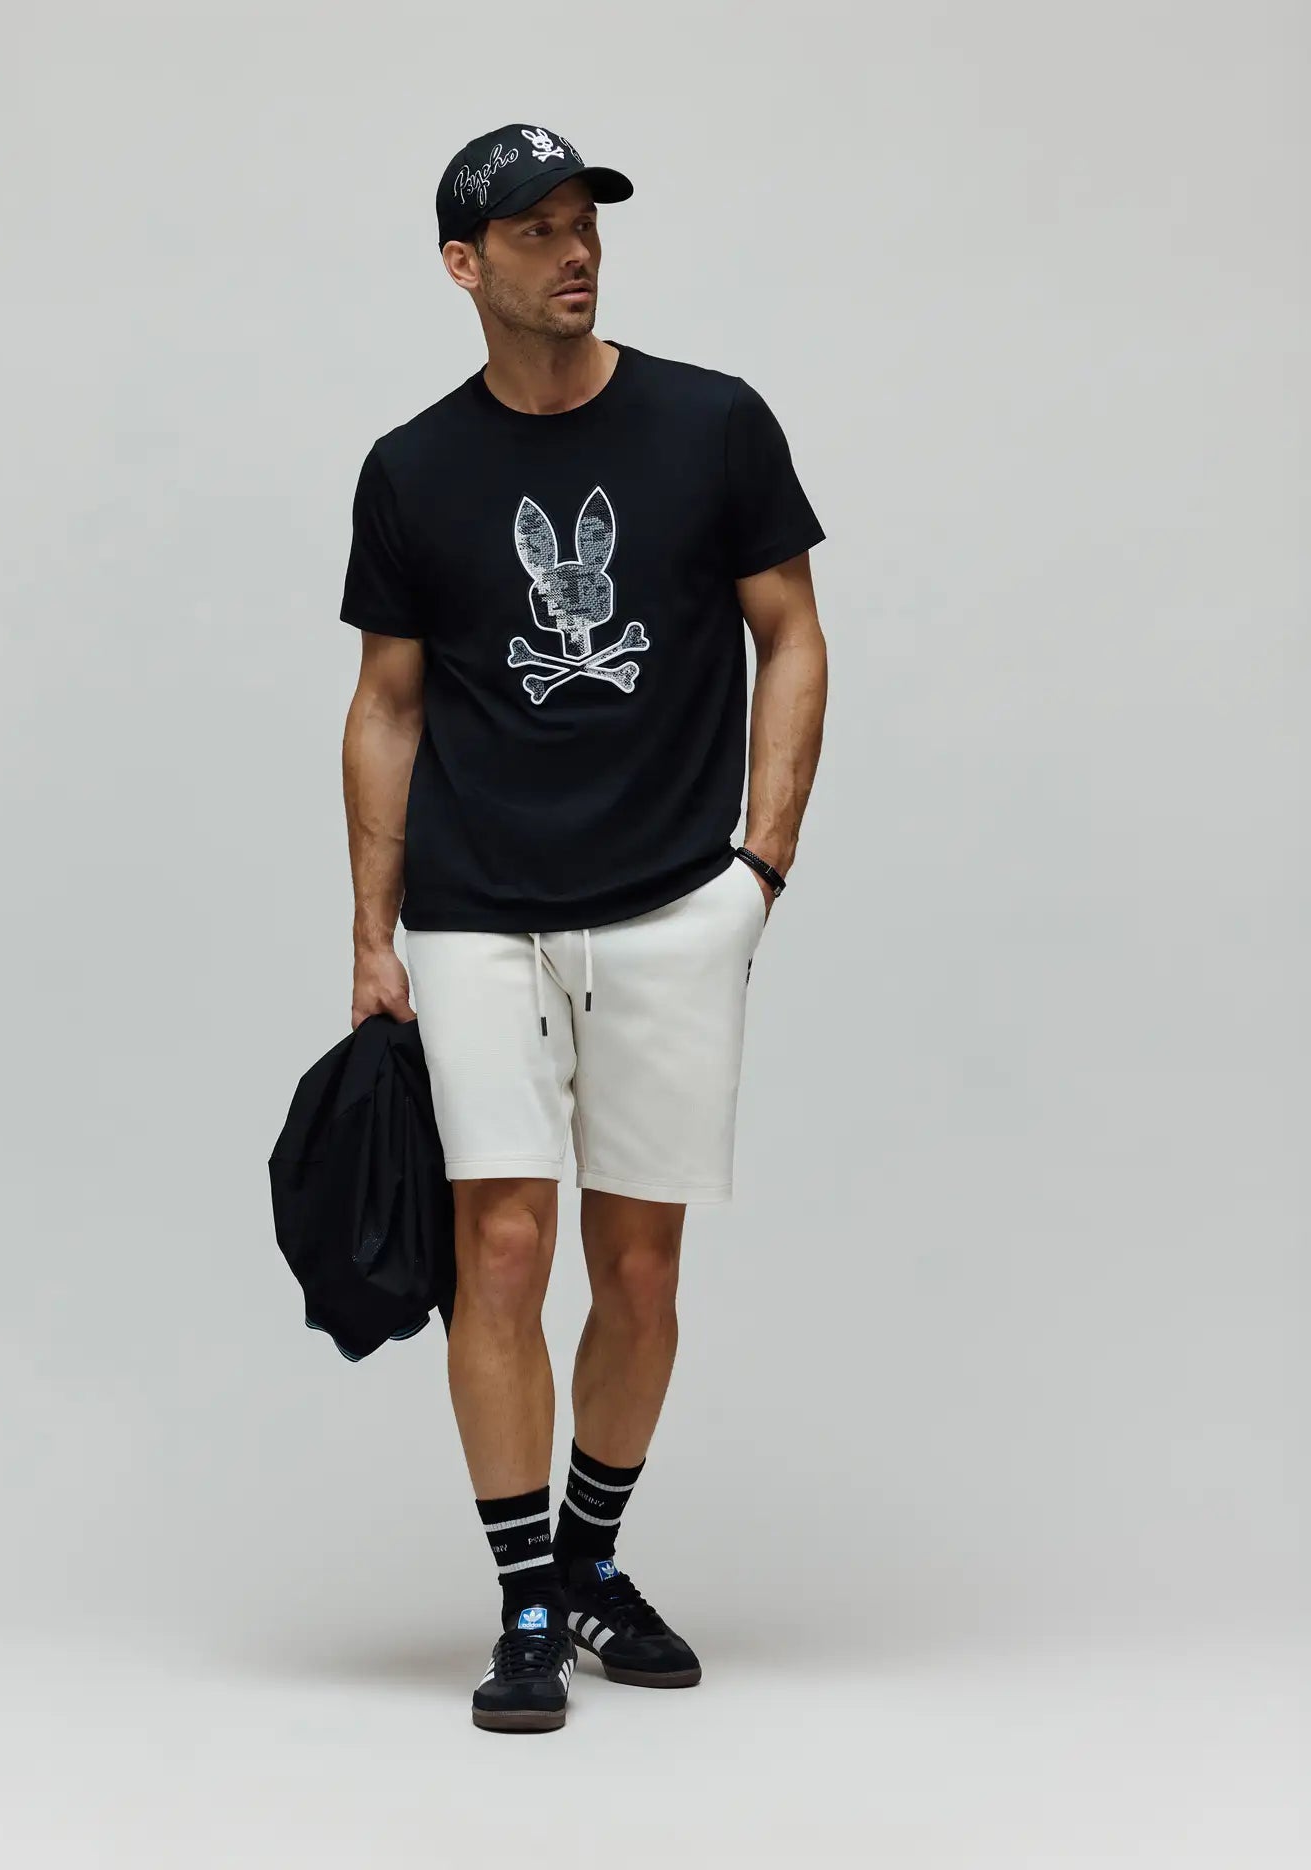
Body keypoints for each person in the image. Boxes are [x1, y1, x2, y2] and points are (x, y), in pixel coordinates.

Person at [338, 122, 828, 1733]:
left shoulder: (712, 423)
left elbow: (792, 632)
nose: (575, 250)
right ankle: (529, 1600)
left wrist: (759, 867)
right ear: (462, 264)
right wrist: (373, 933)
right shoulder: (412, 470)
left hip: (674, 903)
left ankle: (596, 1559)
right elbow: (387, 704)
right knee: (499, 1245)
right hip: (476, 912)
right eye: (536, 230)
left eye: (584, 222)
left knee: (640, 1267)